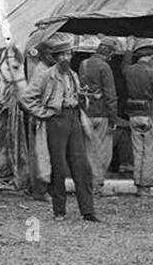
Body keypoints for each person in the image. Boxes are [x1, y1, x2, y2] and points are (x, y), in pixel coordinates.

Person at [21, 31, 97, 221]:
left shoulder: (73, 75)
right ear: (55, 58)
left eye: (68, 54)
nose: (66, 58)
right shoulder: (45, 75)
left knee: (82, 166)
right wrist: (44, 113)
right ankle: (59, 211)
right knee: (58, 166)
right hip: (56, 120)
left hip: (74, 118)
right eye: (62, 55)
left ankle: (88, 211)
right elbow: (26, 99)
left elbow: (76, 96)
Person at [123, 41, 153, 198]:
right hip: (150, 115)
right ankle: (146, 187)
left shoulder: (129, 71)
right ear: (151, 55)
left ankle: (138, 186)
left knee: (137, 151)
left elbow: (125, 64)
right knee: (150, 152)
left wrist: (128, 48)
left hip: (134, 115)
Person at [79, 37, 119, 191]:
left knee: (88, 149)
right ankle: (97, 184)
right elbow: (110, 94)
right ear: (109, 53)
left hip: (86, 112)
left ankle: (88, 183)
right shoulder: (105, 67)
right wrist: (113, 117)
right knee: (102, 149)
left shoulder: (84, 64)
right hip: (102, 113)